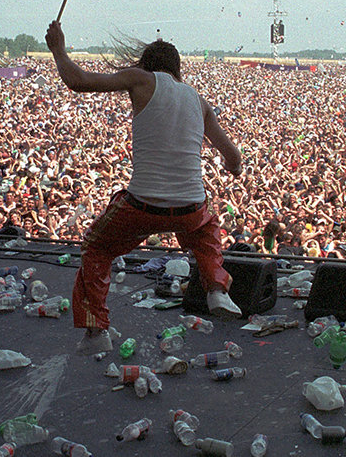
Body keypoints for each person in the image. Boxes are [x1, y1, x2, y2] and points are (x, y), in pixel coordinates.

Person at [45, 21, 243, 355]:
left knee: (96, 246)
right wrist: (233, 167)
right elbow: (233, 156)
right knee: (207, 230)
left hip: (141, 206)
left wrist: (58, 49)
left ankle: (96, 332)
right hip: (189, 209)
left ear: (147, 65)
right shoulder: (199, 100)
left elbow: (79, 82)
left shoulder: (141, 79)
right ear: (178, 69)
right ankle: (217, 289)